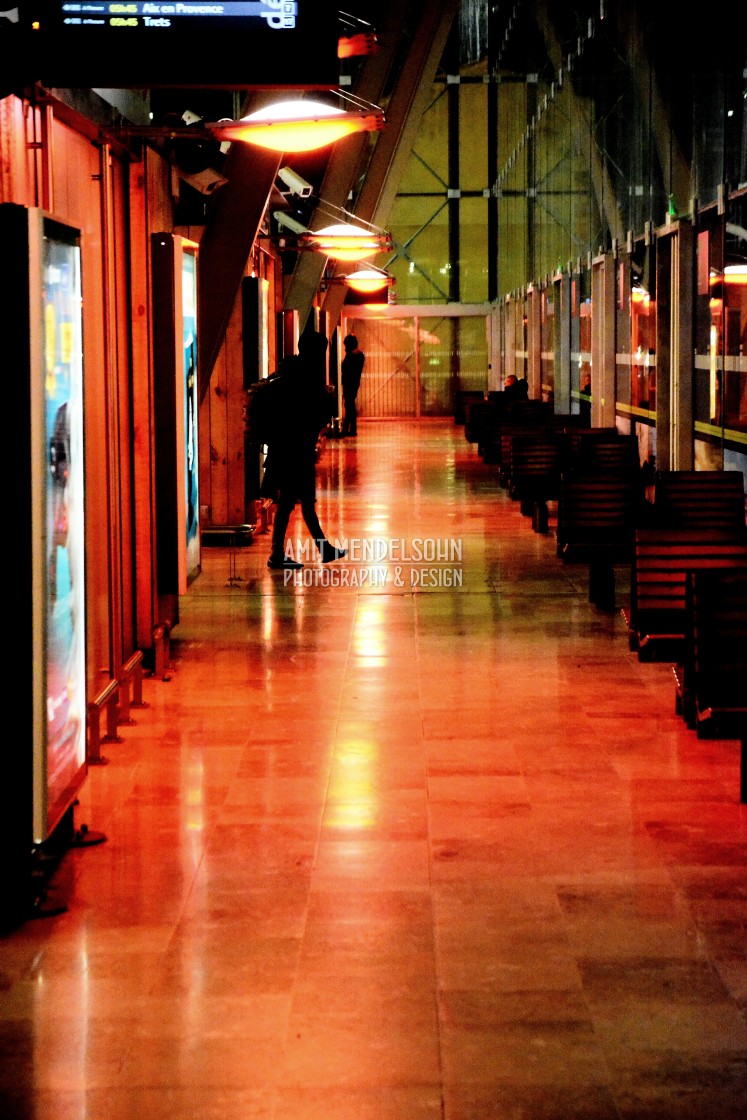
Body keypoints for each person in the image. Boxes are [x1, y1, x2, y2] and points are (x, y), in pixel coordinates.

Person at [261, 332, 347, 571]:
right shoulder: (308, 375)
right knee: (301, 501)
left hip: (283, 448)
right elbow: (315, 413)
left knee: (290, 501)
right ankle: (283, 553)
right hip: (298, 450)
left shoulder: (286, 369)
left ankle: (310, 549)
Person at [340, 333, 365, 437]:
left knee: (349, 405)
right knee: (349, 404)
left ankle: (350, 428)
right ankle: (348, 428)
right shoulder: (359, 355)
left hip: (349, 383)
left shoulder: (351, 356)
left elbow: (346, 369)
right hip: (354, 382)